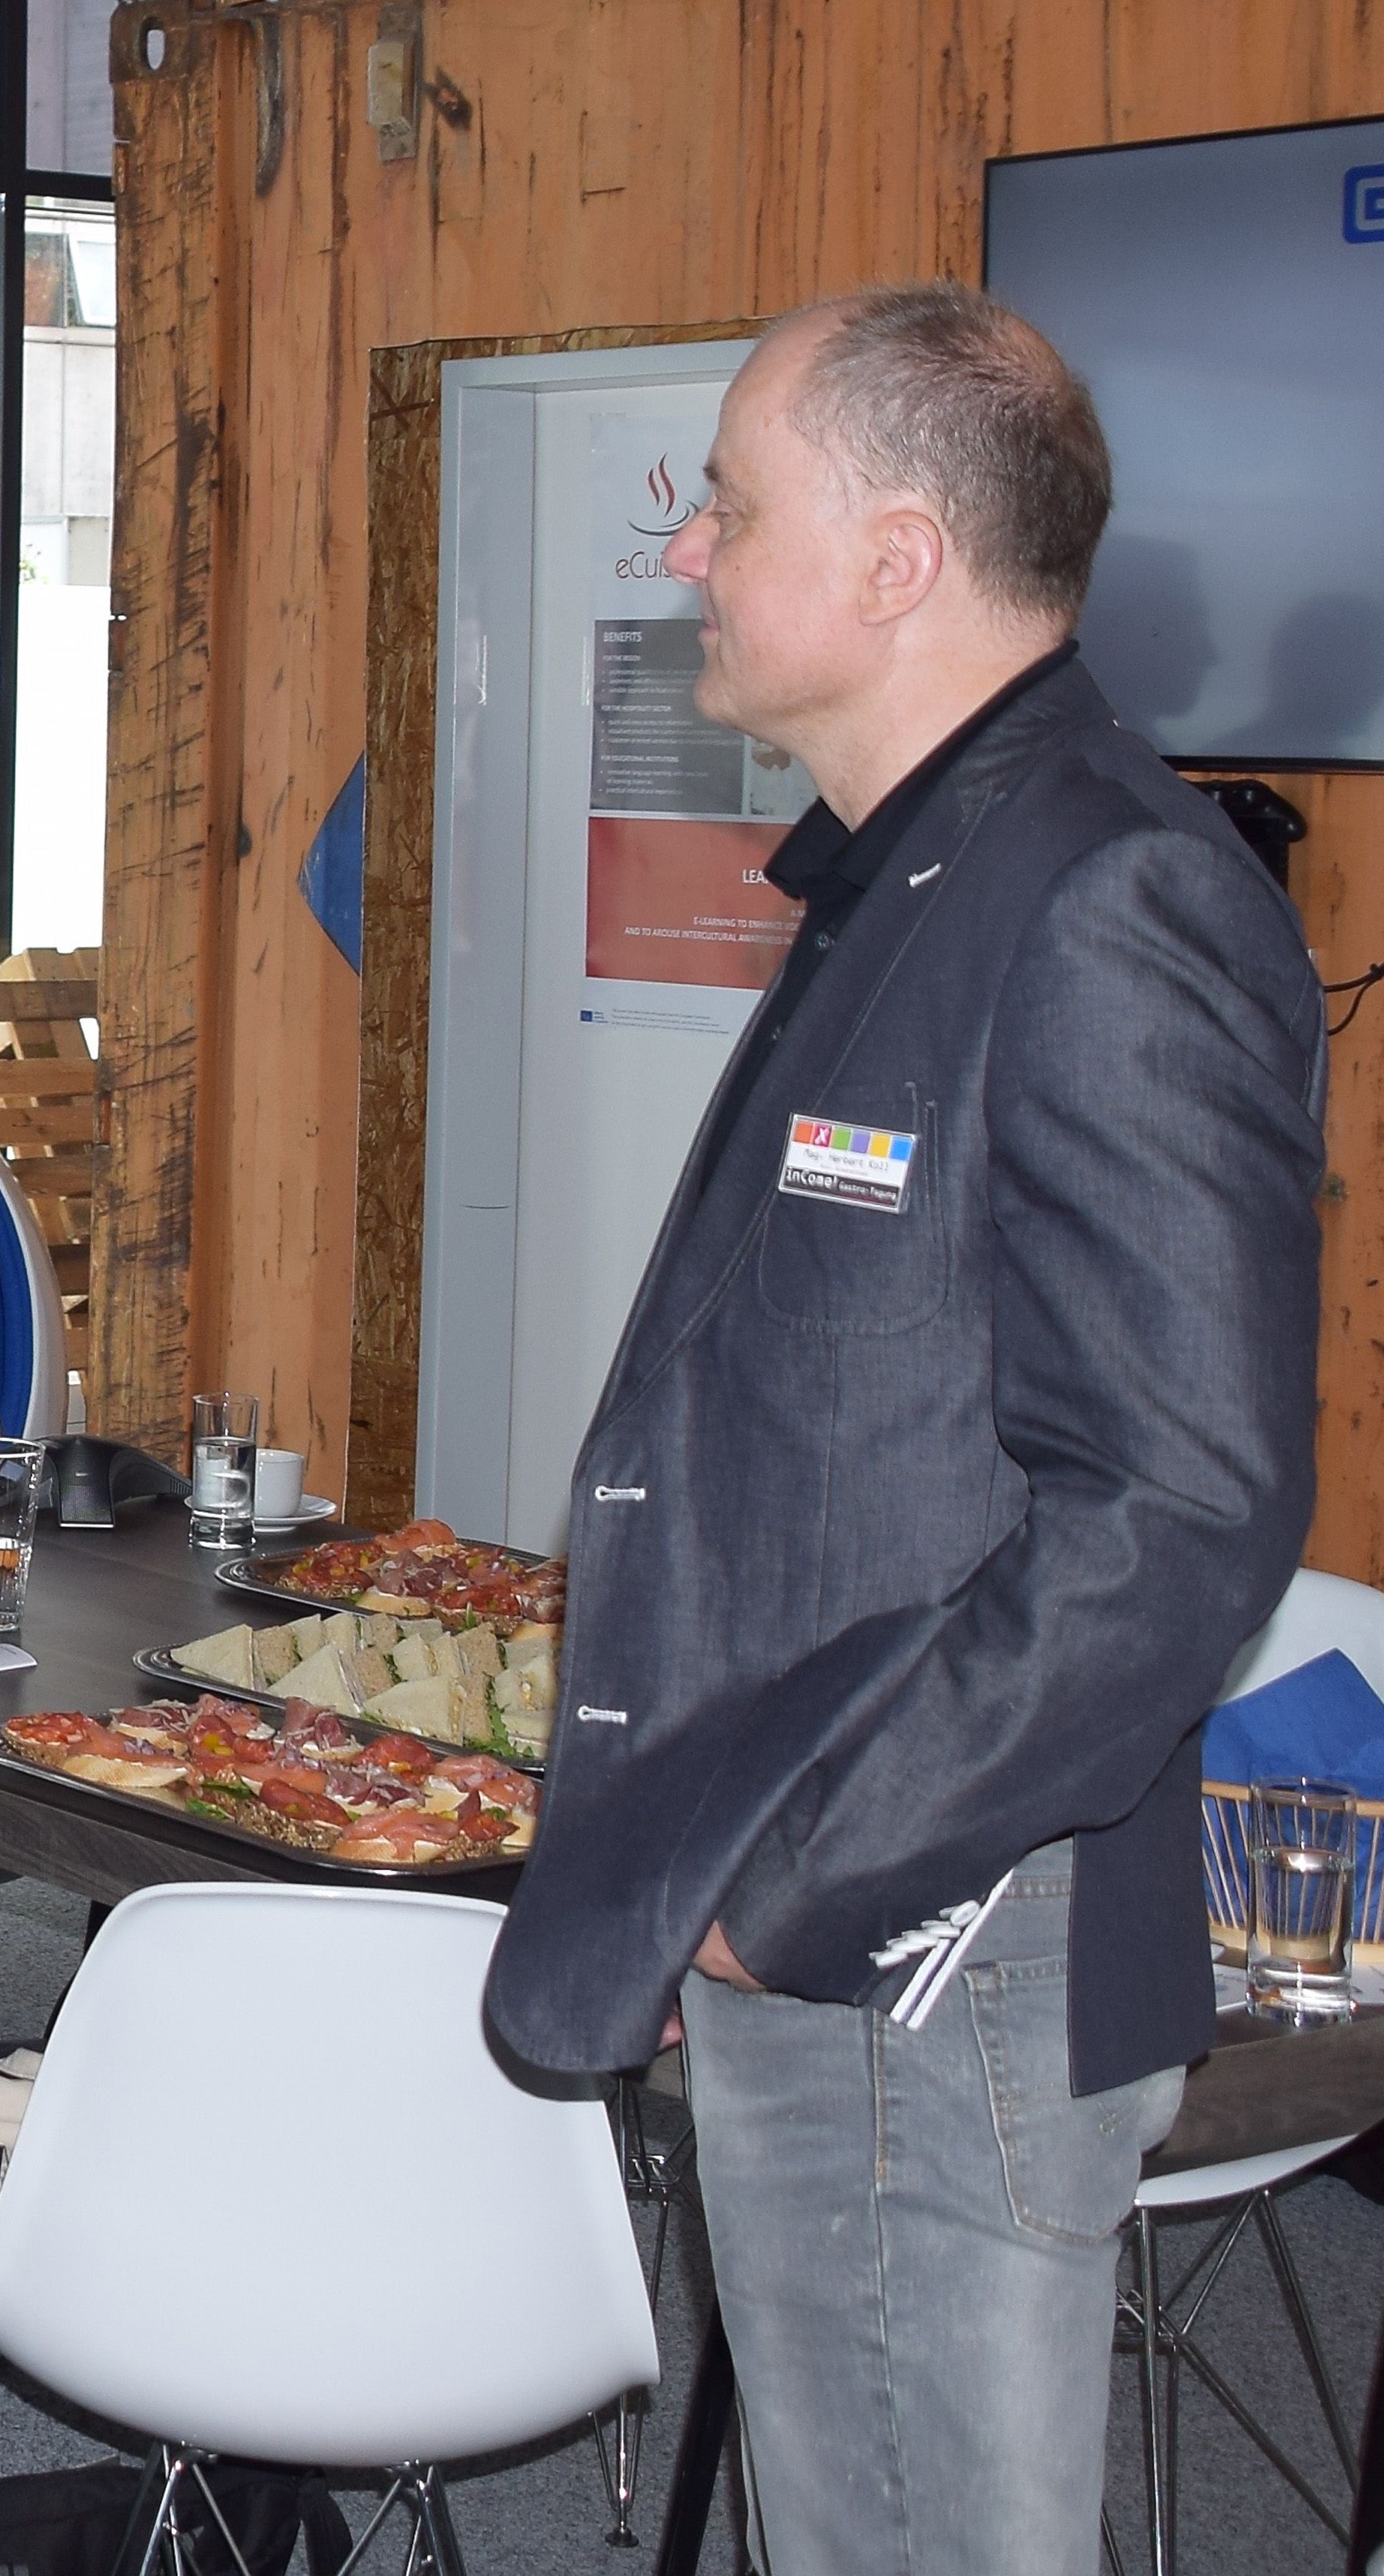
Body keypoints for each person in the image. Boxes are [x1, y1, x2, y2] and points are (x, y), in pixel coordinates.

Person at [485, 284, 1323, 2575]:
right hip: (826, 1875)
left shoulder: (1108, 892)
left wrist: (802, 1893)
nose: (687, 552)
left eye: (730, 507)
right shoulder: (926, 866)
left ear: (897, 559)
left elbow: (1179, 1508)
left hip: (936, 1920)